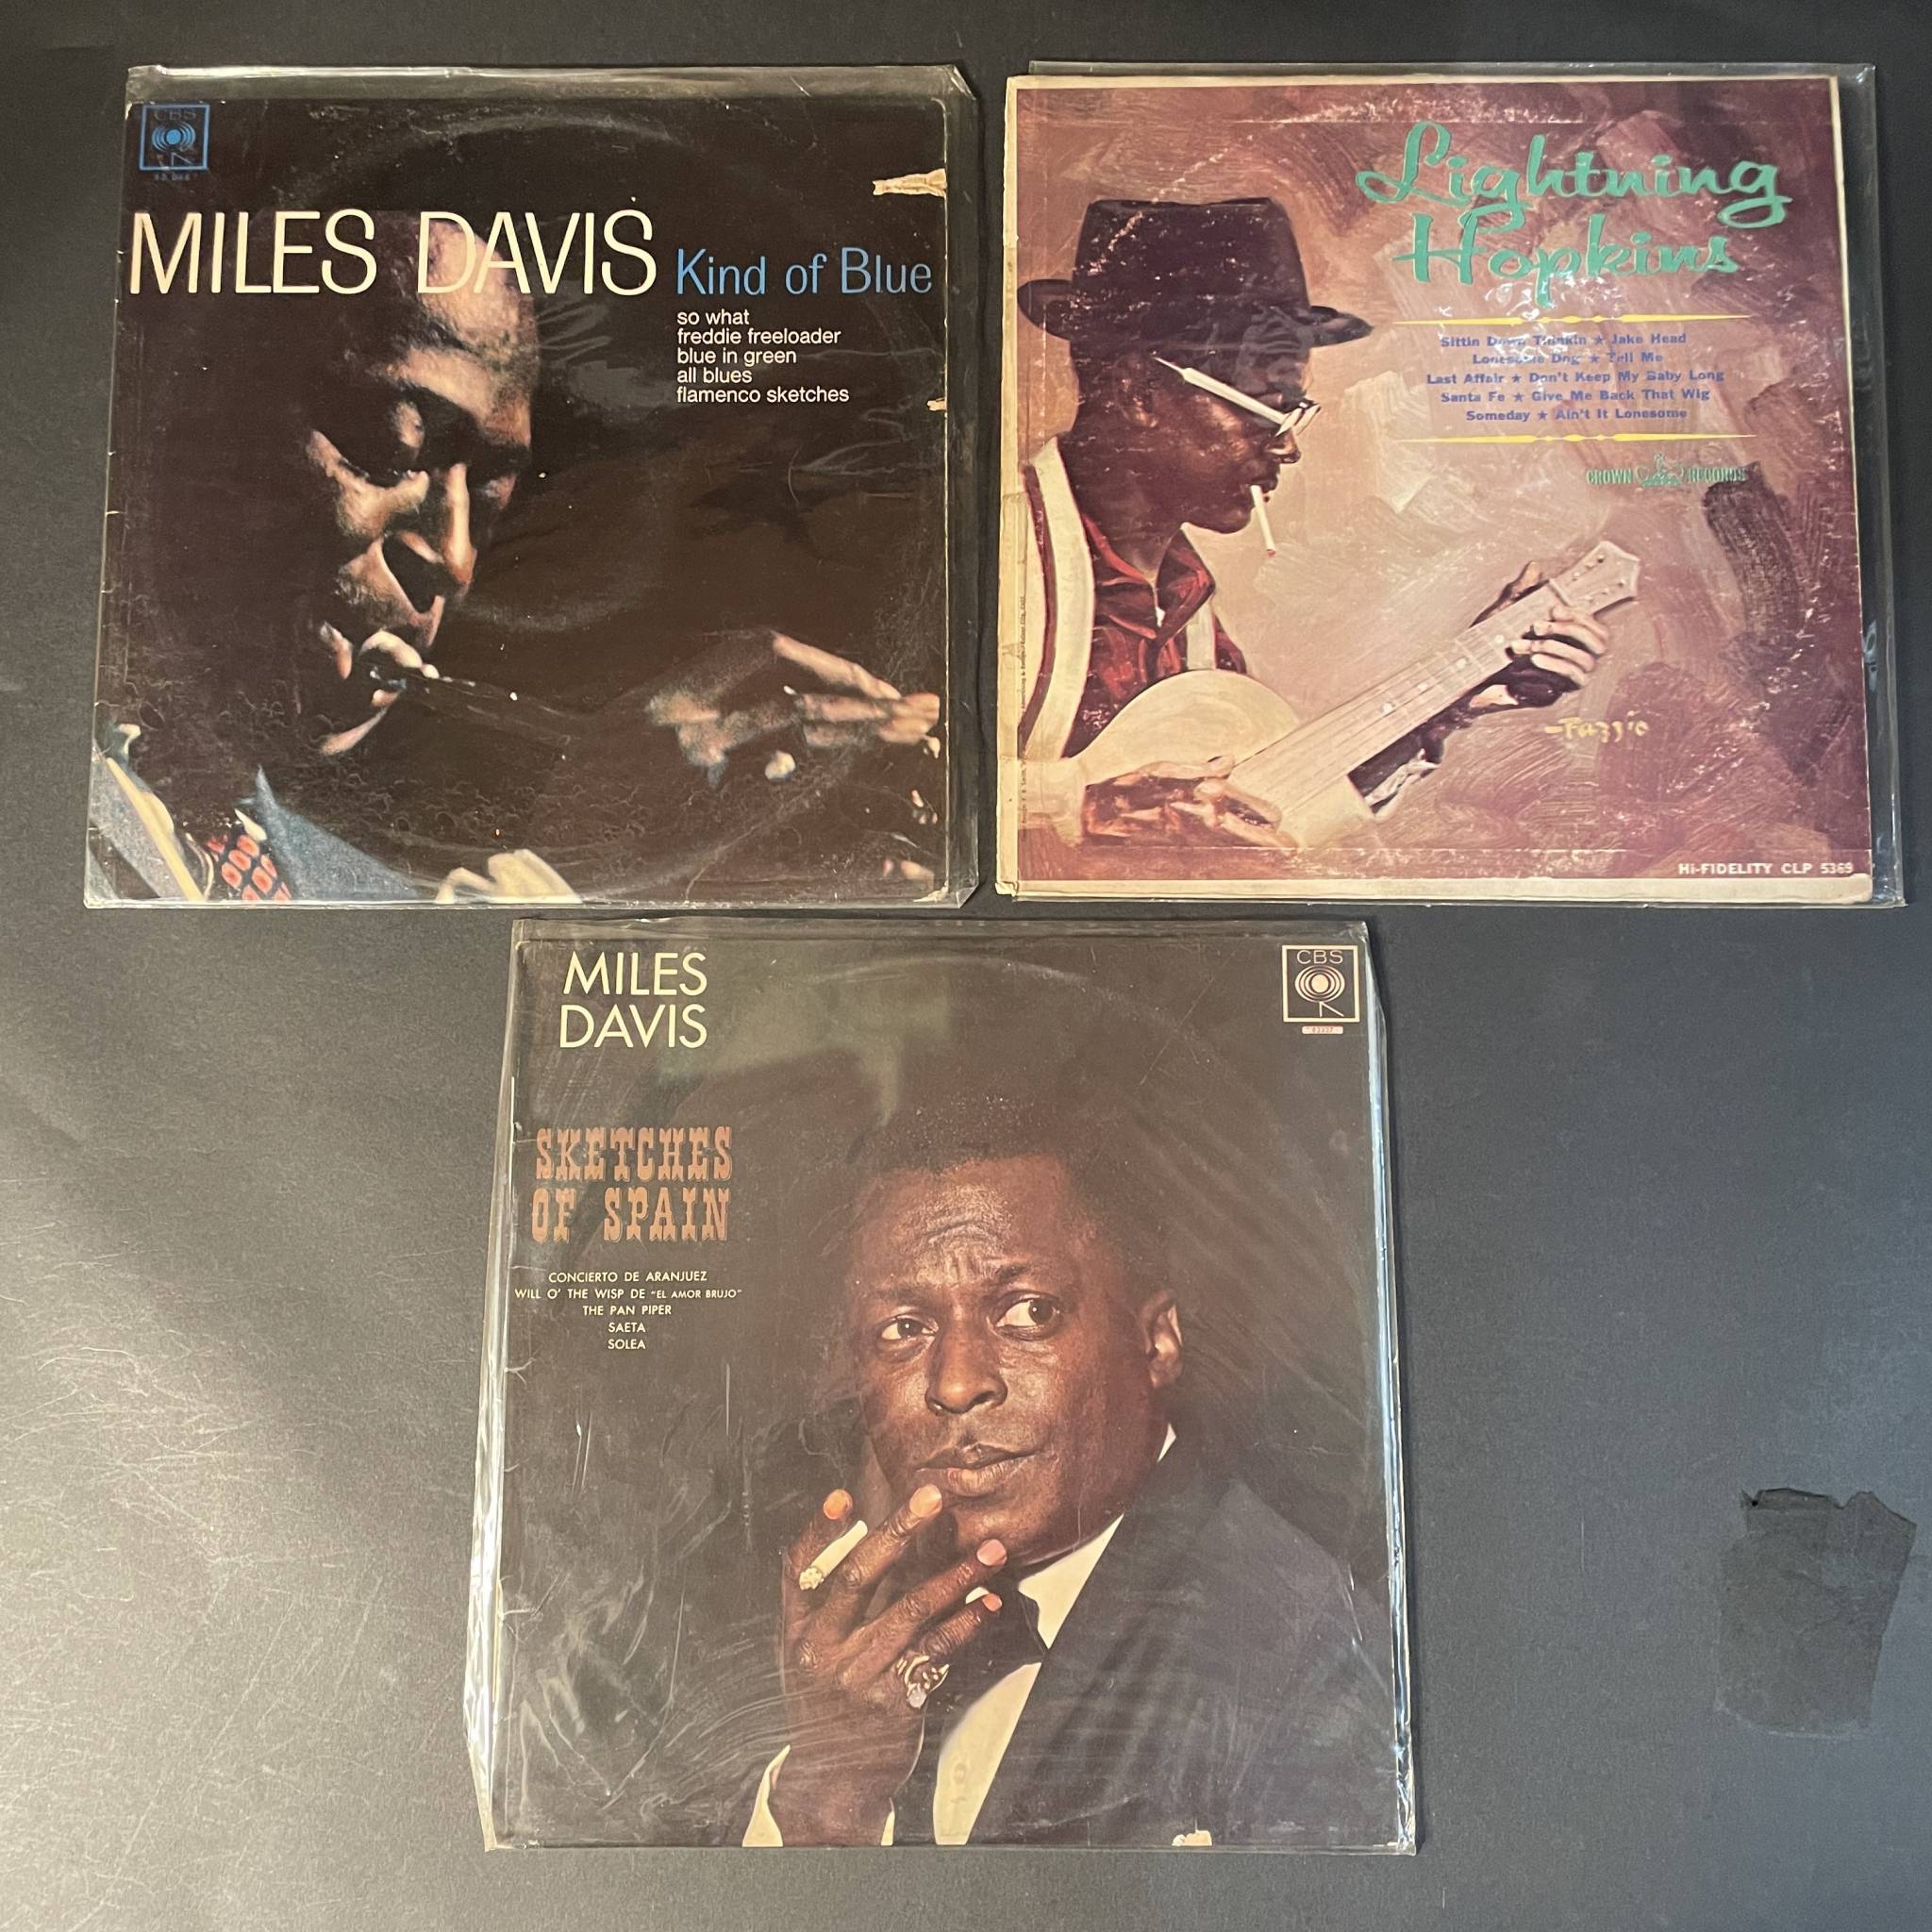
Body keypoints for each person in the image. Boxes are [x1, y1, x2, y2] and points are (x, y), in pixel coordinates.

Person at [89, 214, 938, 902]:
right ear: (185, 422)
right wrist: (592, 857)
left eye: (489, 503)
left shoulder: (352, 894)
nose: (456, 564)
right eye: (391, 448)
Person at [741, 1091, 1404, 1848]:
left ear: (1156, 1343)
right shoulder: (874, 1637)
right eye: (905, 1328)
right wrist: (827, 1792)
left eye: (1028, 1312)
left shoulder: (1309, 1659)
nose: (955, 1383)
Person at [1009, 196, 1608, 847]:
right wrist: (1081, 805)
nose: (1288, 446)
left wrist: (1450, 702)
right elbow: (921, 778)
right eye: (1268, 408)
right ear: (1140, 394)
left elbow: (1260, 812)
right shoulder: (993, 558)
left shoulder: (1188, 611)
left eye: (1296, 415)